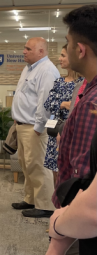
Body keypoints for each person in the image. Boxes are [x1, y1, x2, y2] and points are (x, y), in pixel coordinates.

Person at [39, 4, 97, 255]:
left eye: (69, 44)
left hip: (81, 230)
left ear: (81, 49)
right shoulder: (88, 91)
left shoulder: (92, 104)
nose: (67, 50)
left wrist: (57, 233)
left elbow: (81, 180)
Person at [10, 37, 60, 218]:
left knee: (38, 165)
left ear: (41, 51)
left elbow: (45, 102)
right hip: (24, 125)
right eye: (24, 48)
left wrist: (39, 127)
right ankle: (31, 199)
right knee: (27, 164)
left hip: (35, 128)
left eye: (28, 49)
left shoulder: (46, 71)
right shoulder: (29, 68)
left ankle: (46, 205)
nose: (24, 51)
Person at [43, 45, 82, 182]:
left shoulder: (83, 83)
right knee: (55, 171)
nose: (60, 59)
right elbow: (47, 103)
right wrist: (63, 104)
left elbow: (79, 107)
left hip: (72, 132)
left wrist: (59, 104)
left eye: (63, 56)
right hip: (55, 130)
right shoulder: (59, 81)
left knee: (69, 172)